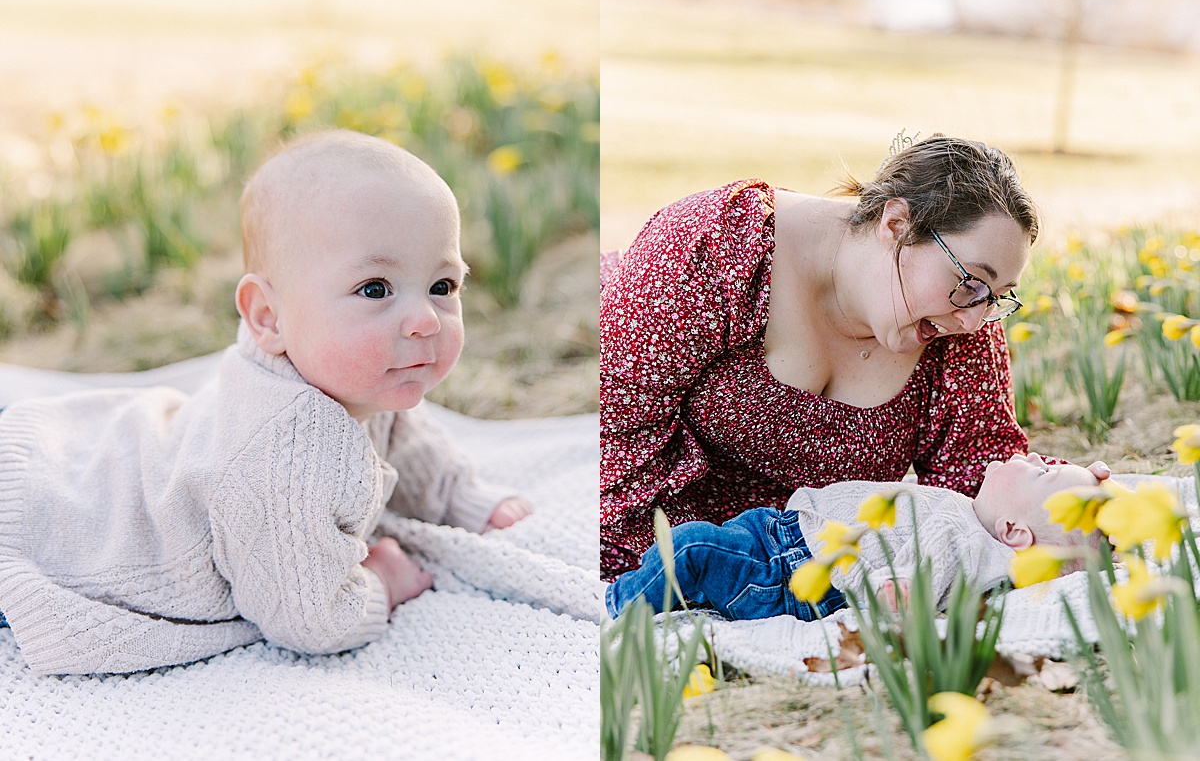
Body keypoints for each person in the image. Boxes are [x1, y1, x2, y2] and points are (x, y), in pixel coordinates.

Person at [0, 130, 531, 675]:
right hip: (39, 527)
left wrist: (465, 500)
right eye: (376, 288)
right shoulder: (287, 455)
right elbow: (308, 620)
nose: (425, 320)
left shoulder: (364, 376)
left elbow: (407, 440)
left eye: (443, 285)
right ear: (267, 316)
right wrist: (384, 583)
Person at [601, 134, 1042, 579]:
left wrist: (1079, 500)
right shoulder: (716, 245)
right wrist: (681, 577)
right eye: (971, 283)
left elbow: (977, 476)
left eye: (997, 299)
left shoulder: (957, 324)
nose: (975, 320)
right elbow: (616, 441)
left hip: (780, 567)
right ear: (897, 225)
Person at [606, 454, 1110, 620]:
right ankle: (654, 597)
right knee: (699, 557)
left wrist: (897, 592)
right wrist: (1091, 487)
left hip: (790, 569)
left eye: (1045, 471)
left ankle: (614, 607)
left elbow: (926, 571)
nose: (1046, 458)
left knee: (691, 549)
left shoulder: (966, 542)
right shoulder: (972, 517)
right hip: (784, 538)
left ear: (1014, 532)